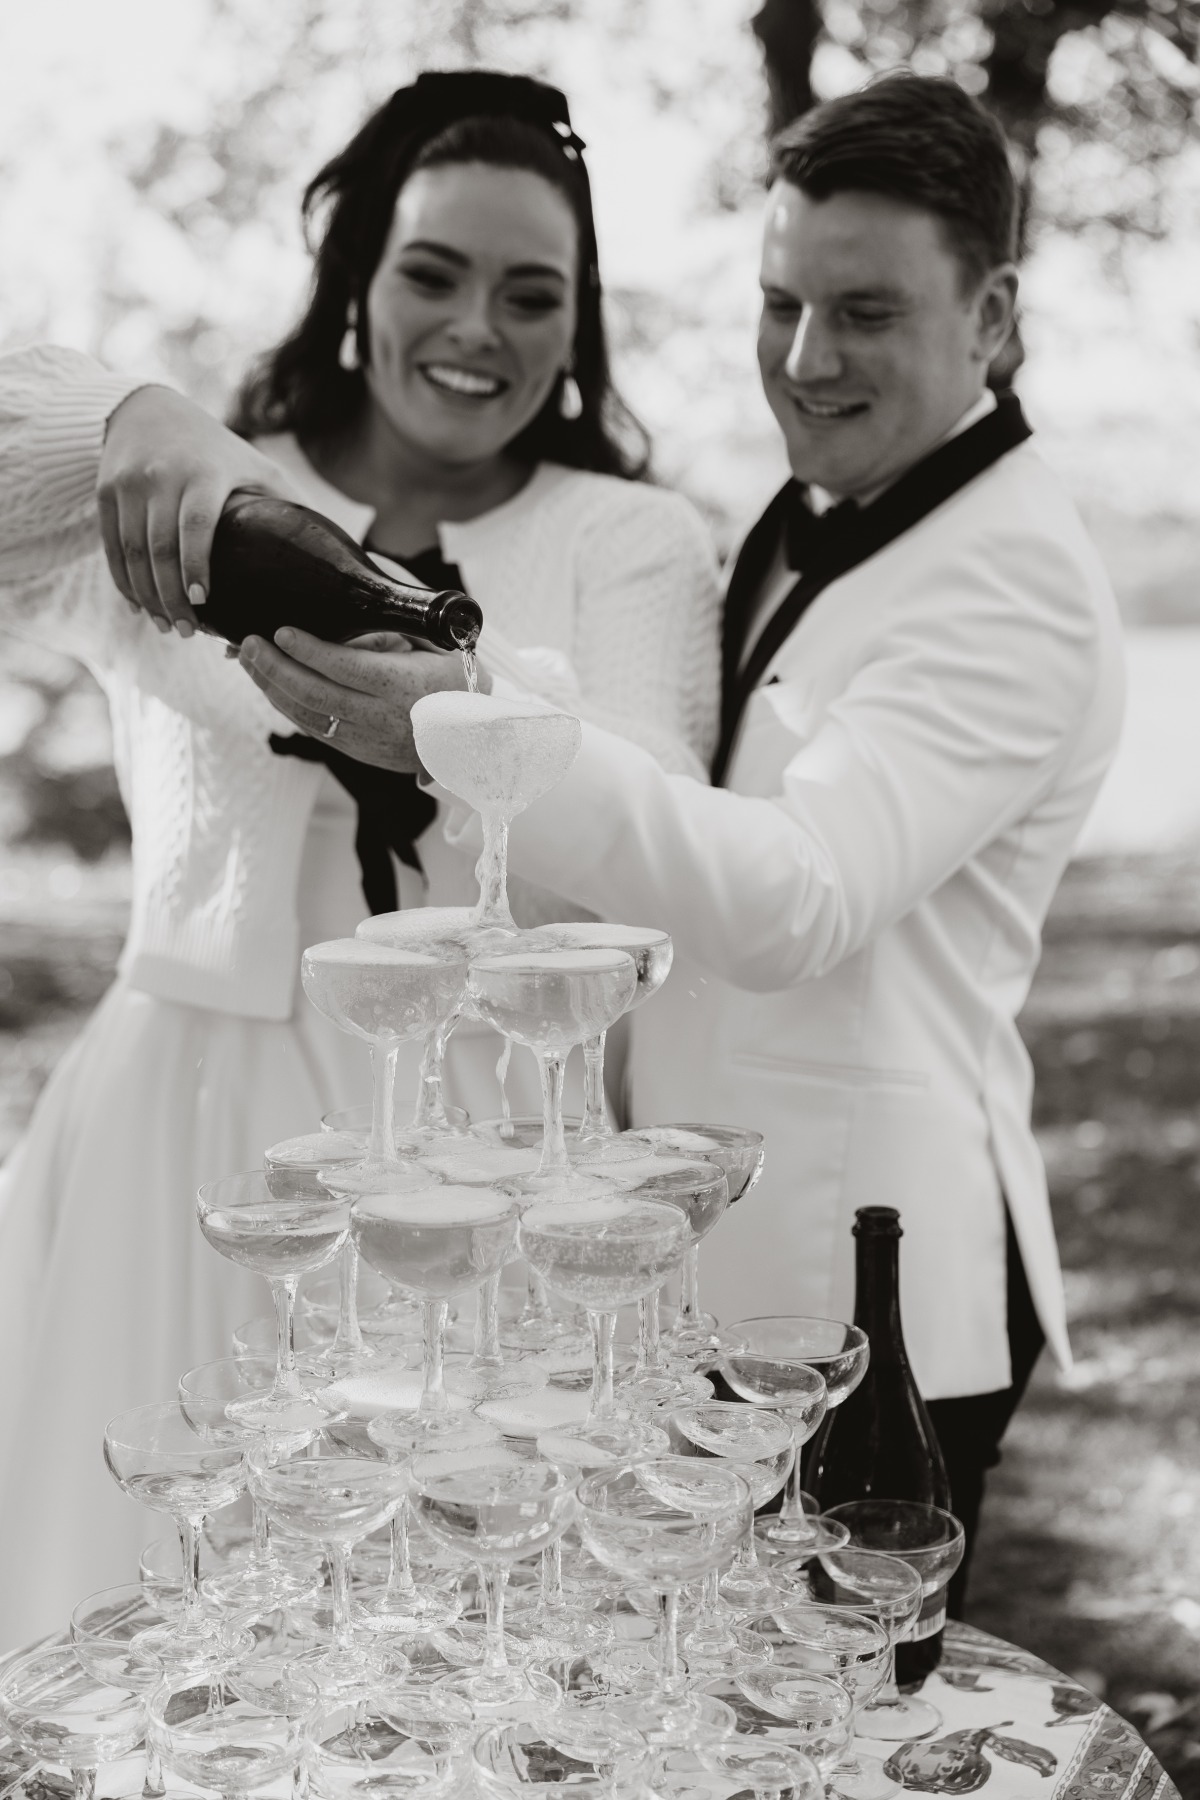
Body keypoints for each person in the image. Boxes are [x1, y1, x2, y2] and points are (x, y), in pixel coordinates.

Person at [230, 74, 1126, 1602]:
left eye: (865, 313)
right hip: (710, 1272)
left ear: (991, 317)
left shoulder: (1012, 577)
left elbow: (796, 899)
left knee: (828, 1732)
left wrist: (473, 727)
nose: (803, 358)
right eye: (779, 301)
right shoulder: (837, 499)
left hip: (856, 1302)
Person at [0, 70, 719, 1645]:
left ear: (577, 324)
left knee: (454, 1642)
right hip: (176, 1138)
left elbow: (656, 838)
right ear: (357, 281)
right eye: (432, 273)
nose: (480, 328)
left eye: (536, 295)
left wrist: (468, 722)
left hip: (481, 1155)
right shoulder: (187, 498)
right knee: (148, 1624)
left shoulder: (632, 539)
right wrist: (131, 412)